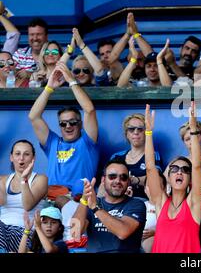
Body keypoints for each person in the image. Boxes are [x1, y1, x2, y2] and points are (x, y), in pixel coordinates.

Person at [28, 65, 99, 199]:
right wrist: (49, 88)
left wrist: (72, 81)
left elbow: (89, 110)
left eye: (72, 122)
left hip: (77, 199)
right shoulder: (53, 142)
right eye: (63, 123)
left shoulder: (87, 141)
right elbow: (34, 116)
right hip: (50, 200)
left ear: (80, 124)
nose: (68, 126)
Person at [146, 102, 201, 253]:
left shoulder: (193, 203)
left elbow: (197, 166)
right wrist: (148, 133)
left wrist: (193, 130)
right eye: (175, 169)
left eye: (185, 170)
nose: (179, 172)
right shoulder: (161, 201)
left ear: (190, 179)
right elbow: (151, 168)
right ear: (168, 177)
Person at [70, 159, 146, 253]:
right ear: (103, 180)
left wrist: (95, 207)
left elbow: (123, 232)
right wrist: (84, 199)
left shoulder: (136, 204)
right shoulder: (92, 202)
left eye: (123, 177)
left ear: (128, 182)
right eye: (112, 176)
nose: (118, 181)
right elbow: (75, 233)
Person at [0, 140, 47, 253]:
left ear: (33, 158)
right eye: (17, 154)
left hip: (26, 233)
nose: (21, 158)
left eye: (26, 154)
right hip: (3, 231)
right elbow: (1, 201)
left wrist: (24, 179)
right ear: (11, 157)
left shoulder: (40, 179)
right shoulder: (3, 180)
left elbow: (27, 205)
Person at [106, 113, 164, 199]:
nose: (136, 132)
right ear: (126, 134)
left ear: (145, 132)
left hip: (143, 202)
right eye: (131, 129)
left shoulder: (154, 155)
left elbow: (157, 180)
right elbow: (105, 182)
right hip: (117, 204)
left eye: (140, 129)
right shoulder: (116, 156)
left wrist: (135, 180)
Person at [12, 18, 49, 87]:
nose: (35, 38)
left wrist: (30, 74)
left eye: (39, 34)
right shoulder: (19, 54)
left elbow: (56, 74)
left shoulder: (52, 53)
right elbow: (10, 75)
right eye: (31, 34)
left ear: (46, 36)